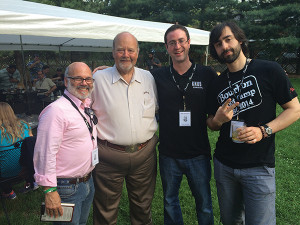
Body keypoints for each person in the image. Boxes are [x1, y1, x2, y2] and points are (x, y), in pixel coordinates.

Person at [207, 21, 300, 225]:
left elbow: (295, 109)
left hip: (259, 166)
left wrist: (263, 130)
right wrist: (217, 120)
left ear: (240, 39)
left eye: (227, 39)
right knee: (230, 221)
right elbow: (211, 124)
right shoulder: (217, 83)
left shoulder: (269, 69)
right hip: (224, 165)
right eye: (218, 44)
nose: (224, 47)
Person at [151, 24, 216, 225]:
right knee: (170, 202)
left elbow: (215, 111)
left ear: (188, 43)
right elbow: (131, 75)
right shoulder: (157, 76)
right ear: (166, 47)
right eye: (172, 43)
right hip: (169, 154)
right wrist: (106, 70)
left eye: (181, 41)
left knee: (204, 203)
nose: (177, 46)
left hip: (198, 153)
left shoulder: (207, 74)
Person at [92, 32, 158, 225]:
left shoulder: (148, 78)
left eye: (130, 50)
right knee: (105, 209)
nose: (125, 54)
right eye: (120, 49)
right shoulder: (98, 79)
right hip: (108, 157)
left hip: (144, 156)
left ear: (138, 52)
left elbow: (156, 107)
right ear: (113, 52)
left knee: (143, 207)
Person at [33, 62, 97, 224]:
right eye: (78, 78)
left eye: (88, 79)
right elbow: (45, 152)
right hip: (66, 187)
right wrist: (50, 190)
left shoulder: (84, 106)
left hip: (87, 181)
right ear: (66, 81)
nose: (84, 83)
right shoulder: (56, 111)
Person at [0, 102, 32, 199]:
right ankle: (30, 182)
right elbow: (31, 147)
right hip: (26, 169)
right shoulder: (24, 125)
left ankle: (8, 192)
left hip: (5, 173)